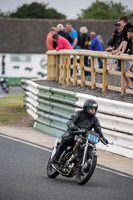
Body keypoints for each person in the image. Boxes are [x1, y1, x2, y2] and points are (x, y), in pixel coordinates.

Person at [51, 99, 108, 163]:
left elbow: (98, 129)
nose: (93, 110)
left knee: (91, 145)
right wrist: (72, 126)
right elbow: (71, 120)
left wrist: (102, 137)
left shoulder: (95, 119)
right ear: (86, 108)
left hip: (84, 135)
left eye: (94, 109)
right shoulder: (78, 113)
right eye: (91, 109)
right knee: (68, 137)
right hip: (74, 132)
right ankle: (56, 156)